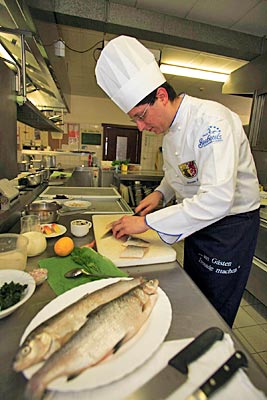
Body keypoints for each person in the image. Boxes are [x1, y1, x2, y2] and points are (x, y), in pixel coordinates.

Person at [95, 35, 260, 327]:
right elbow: (182, 172)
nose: (141, 127)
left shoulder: (212, 121)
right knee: (194, 293)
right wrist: (159, 193)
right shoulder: (170, 131)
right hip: (200, 222)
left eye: (141, 117)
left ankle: (215, 353)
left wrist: (146, 223)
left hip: (230, 228)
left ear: (161, 96)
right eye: (135, 120)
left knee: (216, 306)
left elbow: (217, 198)